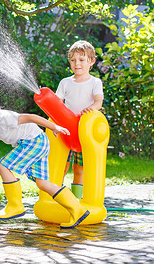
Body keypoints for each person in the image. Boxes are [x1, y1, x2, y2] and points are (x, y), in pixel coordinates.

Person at [0, 89, 90, 229]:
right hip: (37, 142)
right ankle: (77, 209)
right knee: (43, 184)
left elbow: (31, 117)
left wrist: (54, 127)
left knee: (3, 166)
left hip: (34, 142)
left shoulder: (3, 118)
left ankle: (15, 206)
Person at [56, 40, 104, 199]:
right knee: (61, 165)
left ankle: (77, 199)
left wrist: (91, 108)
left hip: (85, 132)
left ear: (91, 62)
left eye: (82, 60)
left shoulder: (95, 82)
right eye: (73, 60)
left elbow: (98, 101)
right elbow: (57, 104)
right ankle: (58, 196)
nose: (77, 63)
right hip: (66, 130)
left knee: (79, 168)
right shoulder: (65, 82)